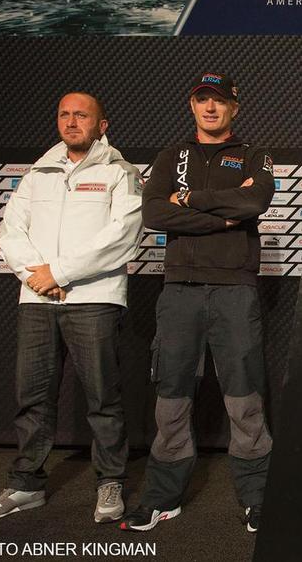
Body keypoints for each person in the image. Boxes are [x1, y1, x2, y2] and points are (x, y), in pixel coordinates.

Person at [0, 92, 144, 523]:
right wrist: (37, 276)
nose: (71, 122)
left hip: (94, 299)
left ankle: (110, 482)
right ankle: (26, 484)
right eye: (64, 115)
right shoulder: (38, 173)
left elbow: (122, 236)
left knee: (103, 398)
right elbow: (10, 231)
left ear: (102, 125)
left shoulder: (119, 172)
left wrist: (59, 273)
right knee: (32, 398)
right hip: (37, 299)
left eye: (81, 115)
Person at [121, 73, 274, 533]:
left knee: (244, 400)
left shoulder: (253, 155)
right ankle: (163, 498)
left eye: (220, 101)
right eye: (203, 100)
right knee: (171, 399)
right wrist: (223, 218)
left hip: (234, 290)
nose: (211, 108)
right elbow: (154, 213)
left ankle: (257, 497)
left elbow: (255, 202)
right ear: (192, 106)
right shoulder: (172, 156)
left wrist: (189, 202)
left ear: (234, 108)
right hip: (180, 291)